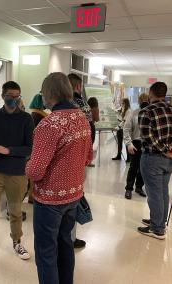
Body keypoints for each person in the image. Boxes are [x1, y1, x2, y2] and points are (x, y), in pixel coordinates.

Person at [26, 72, 93, 284]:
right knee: (65, 245)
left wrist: (26, 165)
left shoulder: (48, 125)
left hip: (50, 200)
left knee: (46, 252)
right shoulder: (81, 118)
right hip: (73, 195)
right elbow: (89, 156)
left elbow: (35, 171)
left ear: (48, 94)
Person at [0, 81, 34, 274]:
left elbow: (29, 148)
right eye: (10, 95)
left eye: (17, 95)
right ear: (3, 95)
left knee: (16, 211)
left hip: (17, 172)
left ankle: (17, 242)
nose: (14, 99)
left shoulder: (26, 119)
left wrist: (7, 150)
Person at [137, 82, 172, 240]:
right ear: (164, 94)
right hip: (170, 162)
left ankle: (157, 229)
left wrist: (166, 151)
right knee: (162, 192)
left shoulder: (146, 112)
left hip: (152, 159)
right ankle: (159, 221)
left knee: (154, 195)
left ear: (151, 94)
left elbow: (148, 137)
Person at [67, 73, 93, 248]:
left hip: (66, 161)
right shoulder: (83, 105)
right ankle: (70, 239)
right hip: (78, 161)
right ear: (77, 86)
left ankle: (67, 239)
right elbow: (90, 130)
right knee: (74, 199)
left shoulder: (62, 106)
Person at [123, 93, 149, 200]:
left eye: (146, 99)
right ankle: (129, 188)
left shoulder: (151, 114)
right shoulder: (133, 114)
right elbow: (126, 129)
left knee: (143, 168)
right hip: (136, 143)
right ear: (139, 101)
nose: (144, 101)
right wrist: (129, 143)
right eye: (142, 100)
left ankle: (139, 187)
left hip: (148, 144)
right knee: (133, 167)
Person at [27, 93, 49, 203]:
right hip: (37, 148)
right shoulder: (39, 116)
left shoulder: (34, 114)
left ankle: (32, 195)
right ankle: (32, 195)